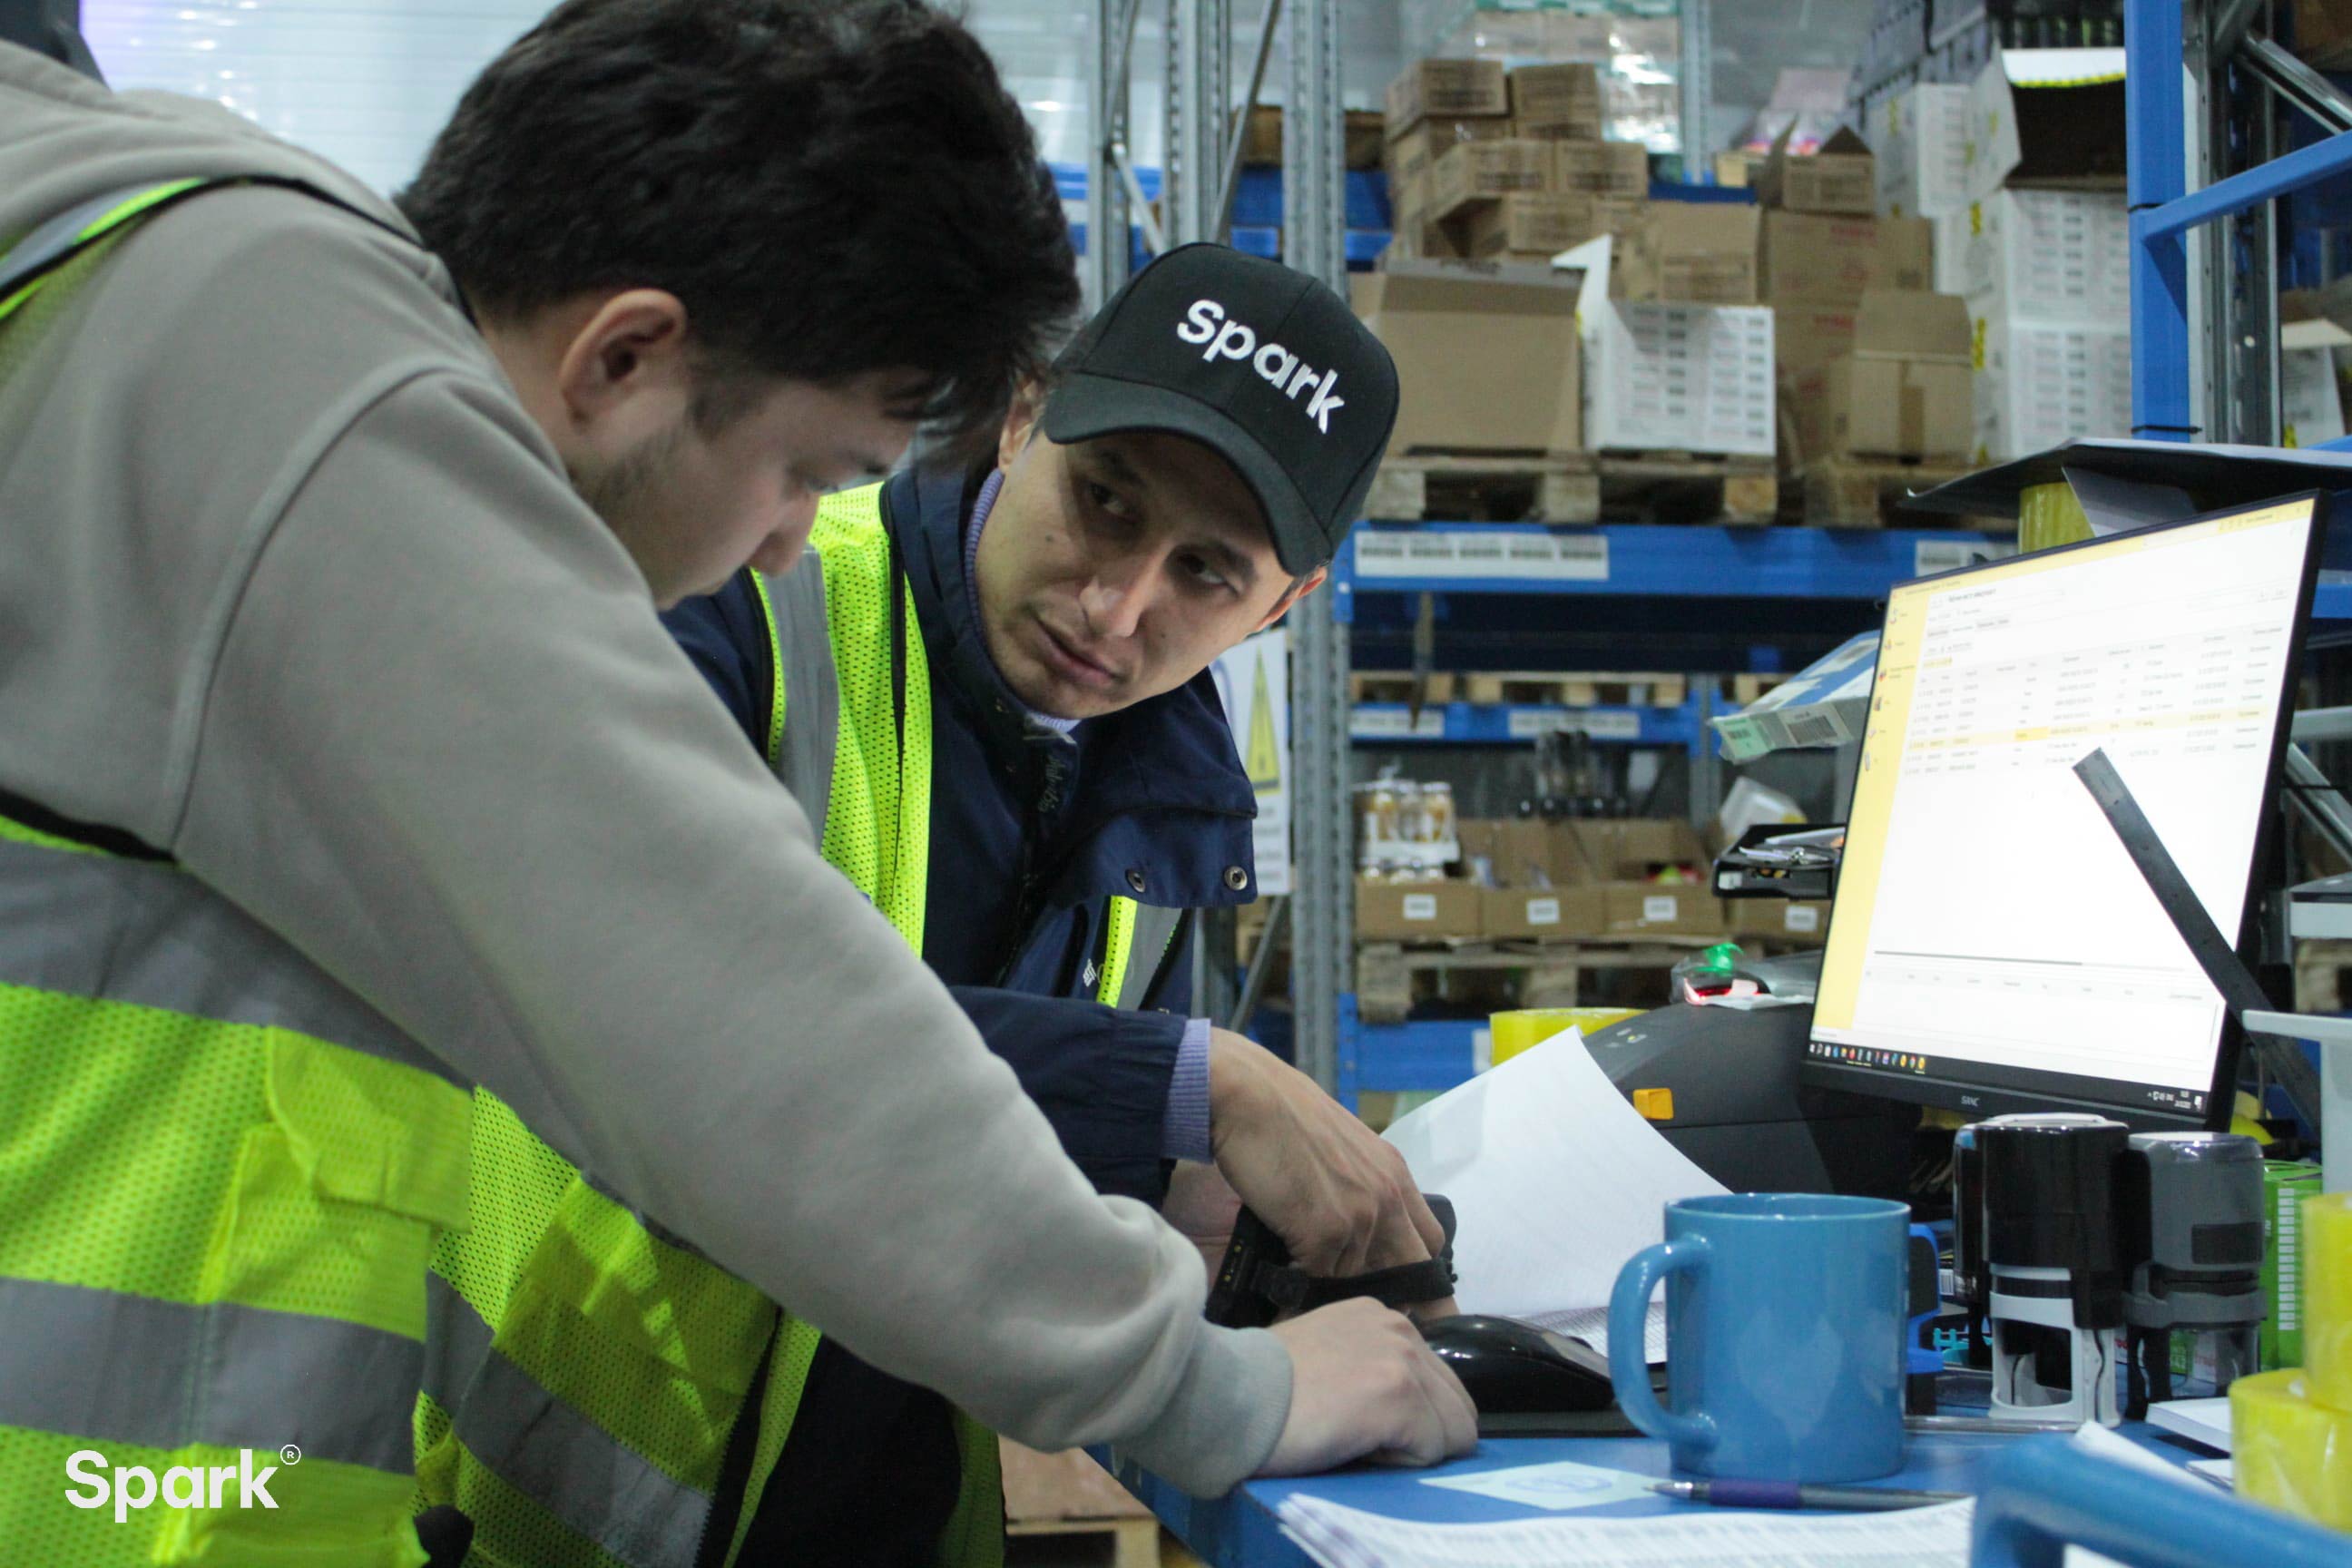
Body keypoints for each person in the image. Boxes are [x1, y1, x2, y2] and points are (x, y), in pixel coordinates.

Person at [0, 3, 1473, 1563]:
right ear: (626, 356)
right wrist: (1215, 1389)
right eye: (809, 474)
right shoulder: (325, 425)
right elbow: (742, 1033)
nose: (784, 543)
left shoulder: (150, 286)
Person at [426, 242, 1462, 1567]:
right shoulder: (744, 594)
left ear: (1286, 605)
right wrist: (1196, 1084)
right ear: (1024, 413)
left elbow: (1007, 1158)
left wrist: (1185, 1210)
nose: (1116, 605)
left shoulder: (1162, 798)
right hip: (526, 1510)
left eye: (1207, 573)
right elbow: (667, 1010)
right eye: (1104, 500)